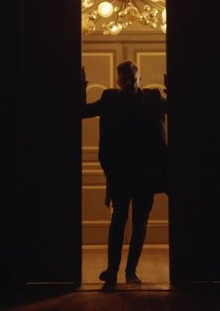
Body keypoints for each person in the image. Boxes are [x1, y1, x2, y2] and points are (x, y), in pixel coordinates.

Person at [81, 60, 168, 285]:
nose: (129, 82)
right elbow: (82, 112)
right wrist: (79, 87)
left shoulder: (154, 98)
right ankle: (113, 270)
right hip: (121, 173)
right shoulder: (111, 99)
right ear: (119, 81)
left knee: (137, 223)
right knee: (120, 221)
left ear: (140, 79)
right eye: (125, 79)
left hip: (145, 173)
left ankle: (129, 271)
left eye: (132, 78)